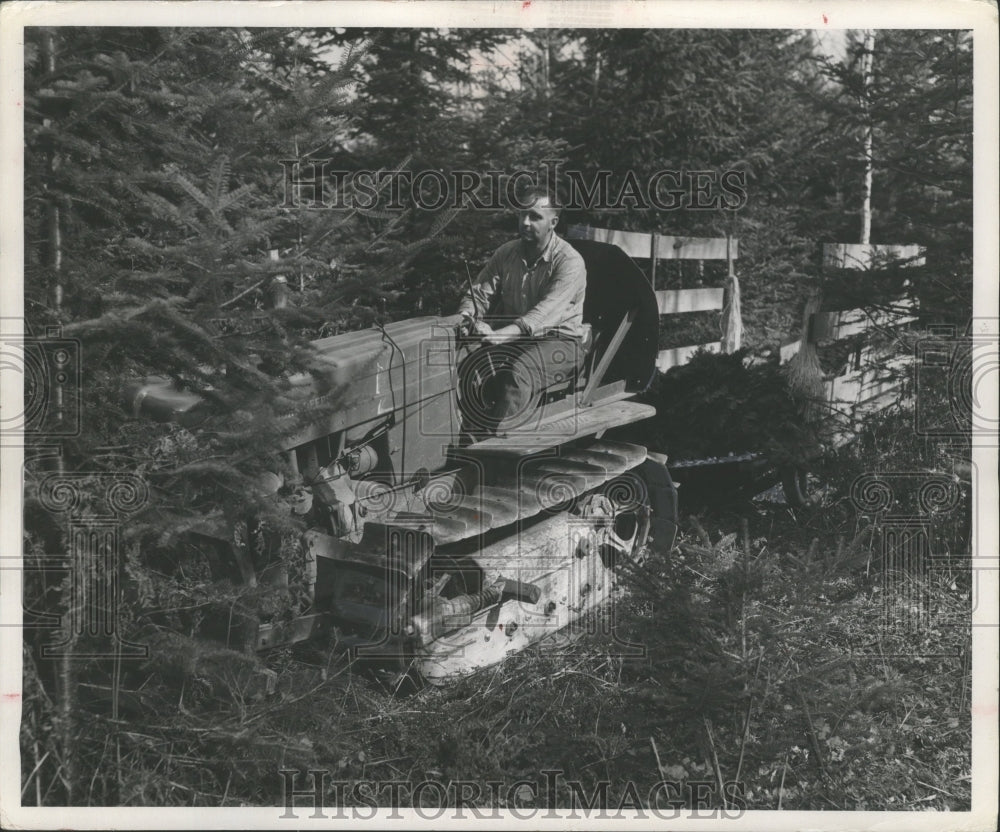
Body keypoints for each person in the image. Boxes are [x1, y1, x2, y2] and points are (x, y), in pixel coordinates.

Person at [456, 185, 587, 437]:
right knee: (463, 361)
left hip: (560, 343)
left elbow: (544, 314)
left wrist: (499, 335)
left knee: (518, 373)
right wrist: (467, 317)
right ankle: (461, 435)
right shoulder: (506, 253)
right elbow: (480, 294)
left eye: (535, 216)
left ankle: (491, 451)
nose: (525, 222)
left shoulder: (569, 262)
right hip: (516, 340)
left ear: (553, 222)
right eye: (521, 215)